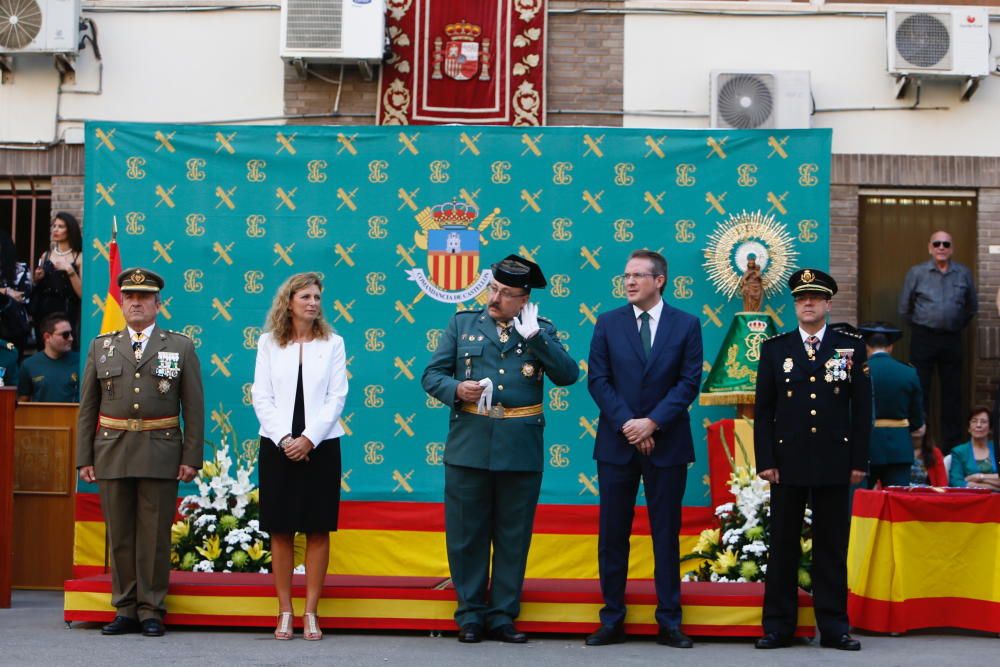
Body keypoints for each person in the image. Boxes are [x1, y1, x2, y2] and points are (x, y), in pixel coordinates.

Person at [421, 254, 578, 644]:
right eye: (493, 288)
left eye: (506, 294)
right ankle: (470, 614)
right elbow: (432, 374)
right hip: (470, 444)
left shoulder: (541, 329)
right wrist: (456, 389)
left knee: (513, 535)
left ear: (524, 299)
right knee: (466, 534)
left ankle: (503, 615)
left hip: (520, 448)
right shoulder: (463, 324)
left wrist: (535, 339)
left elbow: (568, 375)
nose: (495, 298)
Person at [76, 267, 204, 637]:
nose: (136, 303)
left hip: (160, 450)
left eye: (144, 297)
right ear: (122, 302)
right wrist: (84, 456)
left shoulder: (179, 346)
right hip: (112, 449)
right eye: (129, 297)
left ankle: (151, 608)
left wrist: (191, 456)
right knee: (121, 533)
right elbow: (88, 406)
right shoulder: (102, 346)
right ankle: (125, 608)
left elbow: (193, 405)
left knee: (154, 534)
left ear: (157, 304)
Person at [584, 249, 702, 649]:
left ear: (659, 280)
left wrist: (652, 422)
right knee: (612, 534)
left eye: (638, 275)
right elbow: (598, 381)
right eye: (626, 275)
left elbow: (688, 383)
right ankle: (612, 617)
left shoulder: (686, 325)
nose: (629, 282)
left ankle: (669, 620)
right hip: (617, 444)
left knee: (665, 534)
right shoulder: (608, 323)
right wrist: (630, 425)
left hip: (667, 444)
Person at [753, 268, 871, 651]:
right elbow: (764, 409)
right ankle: (778, 626)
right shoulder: (775, 348)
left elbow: (862, 408)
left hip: (835, 460)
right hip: (787, 461)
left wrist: (858, 461)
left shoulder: (849, 345)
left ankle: (835, 627)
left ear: (828, 304)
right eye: (802, 298)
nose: (808, 303)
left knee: (831, 547)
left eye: (816, 298)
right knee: (783, 546)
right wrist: (765, 459)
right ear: (795, 305)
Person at [251, 272, 348, 641]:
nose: (313, 302)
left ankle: (310, 612)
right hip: (277, 445)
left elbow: (337, 397)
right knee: (280, 527)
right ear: (288, 301)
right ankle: (284, 611)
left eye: (317, 297)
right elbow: (261, 395)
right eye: (305, 296)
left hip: (321, 445)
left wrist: (308, 439)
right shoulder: (268, 343)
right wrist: (284, 439)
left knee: (318, 526)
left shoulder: (333, 343)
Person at [898, 230, 976, 452]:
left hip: (952, 338)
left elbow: (972, 307)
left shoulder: (963, 273)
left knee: (952, 394)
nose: (941, 247)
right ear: (930, 247)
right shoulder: (917, 273)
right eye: (937, 244)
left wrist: (955, 324)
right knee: (920, 390)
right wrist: (923, 326)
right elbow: (905, 308)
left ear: (952, 248)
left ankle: (951, 448)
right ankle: (921, 446)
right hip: (924, 337)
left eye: (946, 244)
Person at [858, 322, 924, 489]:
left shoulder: (859, 371)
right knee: (897, 504)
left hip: (866, 446)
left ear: (867, 346)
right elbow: (917, 419)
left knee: (861, 504)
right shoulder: (908, 372)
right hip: (899, 447)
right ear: (890, 347)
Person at [32, 212, 83, 350]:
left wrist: (70, 271)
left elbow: (83, 294)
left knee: (67, 344)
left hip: (67, 310)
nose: (55, 229)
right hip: (44, 311)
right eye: (54, 226)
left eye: (60, 226)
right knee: (43, 345)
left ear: (70, 230)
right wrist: (38, 278)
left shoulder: (78, 257)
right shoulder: (46, 255)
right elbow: (39, 287)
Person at [17, 313, 79, 402]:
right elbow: (23, 402)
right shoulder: (29, 365)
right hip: (41, 415)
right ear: (47, 337)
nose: (71, 338)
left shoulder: (81, 361)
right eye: (65, 334)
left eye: (71, 333)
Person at [947, 407, 999, 490]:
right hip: (971, 499)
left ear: (990, 428)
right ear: (969, 428)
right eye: (974, 421)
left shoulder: (997, 449)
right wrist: (992, 487)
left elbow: (965, 482)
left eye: (983, 422)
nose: (978, 425)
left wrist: (979, 477)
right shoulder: (959, 452)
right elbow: (956, 483)